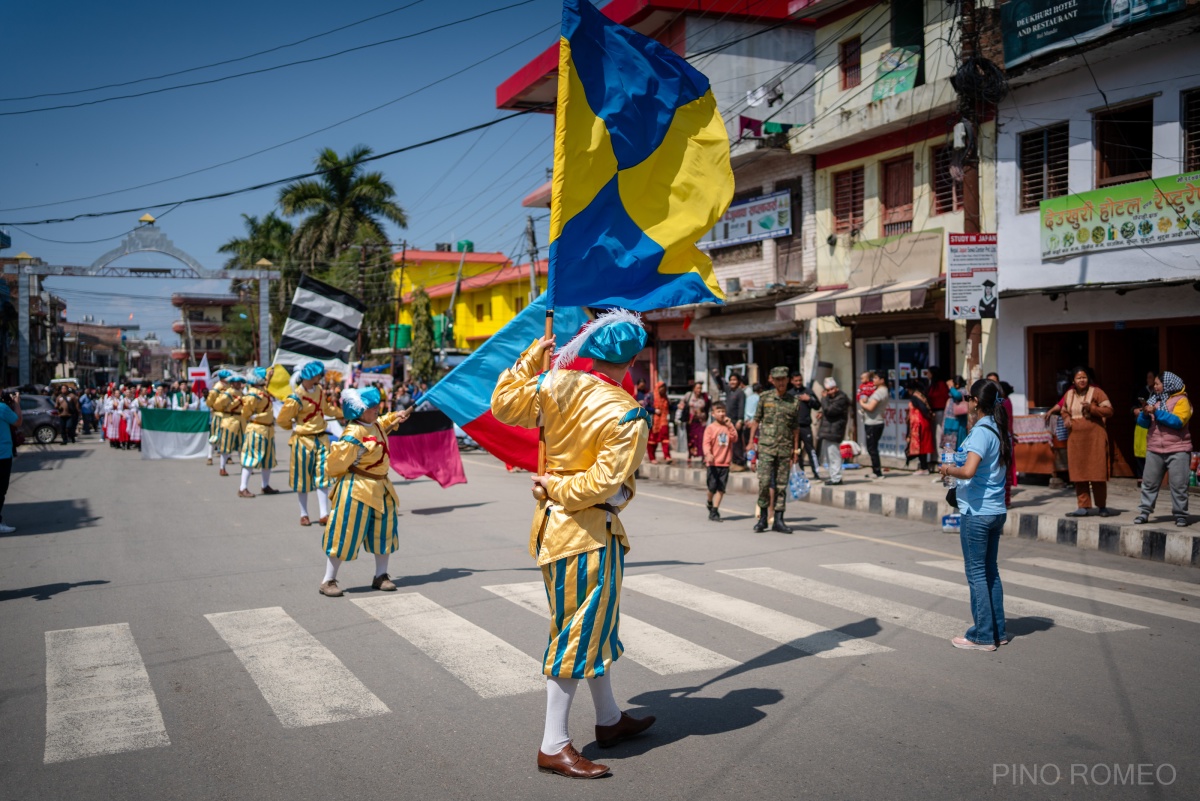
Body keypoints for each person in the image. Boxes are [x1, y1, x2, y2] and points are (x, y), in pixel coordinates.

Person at [491, 309, 656, 779]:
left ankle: (609, 720)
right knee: (575, 633)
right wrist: (557, 488)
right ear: (631, 361)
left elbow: (503, 404)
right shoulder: (628, 413)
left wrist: (530, 359)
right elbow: (604, 484)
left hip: (554, 527)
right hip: (585, 533)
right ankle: (553, 743)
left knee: (593, 626)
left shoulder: (555, 383)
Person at [938, 379, 1010, 651]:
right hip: (995, 509)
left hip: (978, 511)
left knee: (977, 574)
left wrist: (947, 470)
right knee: (990, 572)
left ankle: (981, 635)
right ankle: (998, 631)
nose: (966, 402)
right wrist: (955, 458)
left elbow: (968, 472)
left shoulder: (981, 431)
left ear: (976, 402)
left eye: (968, 397)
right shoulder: (998, 428)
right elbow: (977, 464)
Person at [317, 386, 411, 597]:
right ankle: (328, 580)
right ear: (358, 411)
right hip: (356, 488)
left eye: (377, 405)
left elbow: (384, 422)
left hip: (382, 486)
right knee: (345, 533)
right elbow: (332, 466)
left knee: (384, 533)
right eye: (372, 406)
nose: (377, 409)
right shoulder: (352, 434)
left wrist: (397, 415)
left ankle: (381, 576)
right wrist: (356, 459)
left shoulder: (374, 424)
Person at [277, 361, 344, 527]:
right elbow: (282, 420)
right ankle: (304, 514)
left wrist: (343, 413)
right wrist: (293, 426)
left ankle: (324, 513)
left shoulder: (319, 391)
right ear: (310, 376)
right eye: (317, 375)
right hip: (303, 440)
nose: (319, 377)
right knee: (303, 479)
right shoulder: (295, 398)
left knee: (323, 476)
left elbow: (327, 409)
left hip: (321, 438)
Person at [1043, 367, 1115, 517]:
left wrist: (1093, 408)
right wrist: (1066, 418)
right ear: (1073, 381)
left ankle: (1102, 506)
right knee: (1079, 473)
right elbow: (1064, 410)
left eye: (1084, 377)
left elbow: (1109, 410)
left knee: (1097, 472)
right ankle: (1083, 506)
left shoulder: (1097, 392)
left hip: (1095, 438)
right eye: (1078, 378)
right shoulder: (1069, 394)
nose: (1082, 380)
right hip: (1076, 439)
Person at [1134, 371, 1192, 527]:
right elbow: (1142, 424)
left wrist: (1156, 412)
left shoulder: (1182, 401)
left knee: (1178, 485)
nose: (1155, 386)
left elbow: (1178, 421)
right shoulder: (1155, 400)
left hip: (1178, 449)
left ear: (1168, 385)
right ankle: (1144, 512)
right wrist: (1145, 414)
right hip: (1154, 449)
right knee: (1149, 483)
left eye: (1158, 383)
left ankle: (1180, 515)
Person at [750, 367, 800, 533]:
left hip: (785, 449)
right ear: (772, 380)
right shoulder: (765, 397)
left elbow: (795, 428)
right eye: (777, 379)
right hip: (766, 448)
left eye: (783, 379)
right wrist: (751, 442)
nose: (780, 382)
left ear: (787, 380)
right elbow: (756, 420)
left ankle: (778, 520)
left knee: (781, 486)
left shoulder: (794, 401)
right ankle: (763, 519)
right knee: (764, 483)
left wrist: (795, 450)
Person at [238, 368, 280, 499]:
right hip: (257, 429)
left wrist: (270, 376)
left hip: (267, 430)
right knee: (251, 458)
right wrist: (256, 417)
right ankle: (242, 488)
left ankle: (265, 485)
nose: (265, 379)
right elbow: (245, 413)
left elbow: (265, 387)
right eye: (264, 377)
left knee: (268, 459)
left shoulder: (261, 391)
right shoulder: (252, 394)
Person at [703, 402, 736, 522]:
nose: (721, 414)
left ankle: (714, 511)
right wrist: (708, 454)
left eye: (723, 411)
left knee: (721, 488)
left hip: (725, 463)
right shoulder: (710, 428)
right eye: (719, 411)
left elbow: (734, 438)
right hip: (713, 463)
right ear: (713, 414)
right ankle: (709, 501)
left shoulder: (728, 427)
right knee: (712, 488)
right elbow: (706, 443)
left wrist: (730, 425)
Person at [209, 375, 246, 475]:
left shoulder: (242, 393)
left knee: (242, 444)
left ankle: (244, 467)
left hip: (241, 420)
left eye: (239, 382)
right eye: (236, 382)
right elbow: (218, 404)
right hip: (229, 419)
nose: (238, 384)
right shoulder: (228, 393)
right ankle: (222, 468)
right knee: (226, 445)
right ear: (232, 383)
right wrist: (229, 406)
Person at [817, 376, 850, 486]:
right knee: (829, 456)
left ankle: (836, 478)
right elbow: (826, 410)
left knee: (834, 455)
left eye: (832, 389)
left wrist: (824, 399)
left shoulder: (841, 398)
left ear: (836, 388)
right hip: (828, 430)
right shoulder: (830, 399)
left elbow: (830, 411)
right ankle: (833, 476)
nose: (830, 392)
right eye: (828, 390)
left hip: (835, 430)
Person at [789, 374, 821, 480]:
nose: (798, 383)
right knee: (796, 451)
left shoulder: (808, 391)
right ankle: (800, 472)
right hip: (794, 428)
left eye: (800, 380)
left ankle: (816, 472)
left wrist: (809, 399)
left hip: (805, 426)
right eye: (796, 380)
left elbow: (817, 405)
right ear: (792, 381)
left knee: (810, 449)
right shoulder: (789, 394)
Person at [0, 391, 24, 534]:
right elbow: (18, 421)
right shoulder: (2, 408)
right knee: (0, 490)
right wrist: (16, 403)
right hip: (2, 454)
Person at [858, 371, 889, 479]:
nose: (873, 380)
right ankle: (876, 471)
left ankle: (877, 472)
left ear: (882, 380)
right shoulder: (880, 391)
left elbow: (871, 407)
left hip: (873, 423)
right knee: (872, 447)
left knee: (872, 448)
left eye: (876, 378)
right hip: (875, 422)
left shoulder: (880, 392)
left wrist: (862, 403)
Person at [906, 380, 935, 473]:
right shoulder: (921, 395)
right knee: (923, 445)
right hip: (924, 422)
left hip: (919, 424)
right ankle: (923, 466)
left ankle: (923, 467)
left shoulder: (915, 397)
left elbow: (923, 409)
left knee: (921, 446)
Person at [206, 369, 233, 466]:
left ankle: (228, 456)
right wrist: (213, 406)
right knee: (215, 435)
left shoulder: (230, 386)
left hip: (229, 414)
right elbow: (209, 401)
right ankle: (210, 456)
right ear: (223, 379)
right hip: (219, 414)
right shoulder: (217, 388)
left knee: (228, 436)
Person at [683, 381, 710, 465]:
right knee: (691, 439)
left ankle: (703, 457)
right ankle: (690, 455)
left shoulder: (704, 397)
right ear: (694, 388)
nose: (699, 390)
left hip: (701, 422)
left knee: (702, 439)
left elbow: (708, 408)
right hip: (691, 422)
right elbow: (681, 404)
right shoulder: (688, 395)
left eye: (700, 388)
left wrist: (701, 413)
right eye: (698, 388)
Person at [645, 381, 672, 464]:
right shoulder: (651, 396)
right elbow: (645, 407)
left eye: (664, 390)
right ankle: (652, 457)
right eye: (661, 389)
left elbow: (669, 407)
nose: (663, 391)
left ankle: (667, 456)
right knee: (653, 440)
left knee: (665, 439)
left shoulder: (665, 397)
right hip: (654, 422)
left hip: (663, 421)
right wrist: (654, 410)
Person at [723, 373, 746, 469]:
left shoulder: (740, 393)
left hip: (736, 420)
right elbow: (722, 384)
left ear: (739, 381)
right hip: (728, 420)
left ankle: (739, 462)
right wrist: (716, 376)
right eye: (731, 380)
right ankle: (732, 461)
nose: (732, 382)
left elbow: (741, 407)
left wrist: (740, 420)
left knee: (737, 442)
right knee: (729, 442)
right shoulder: (729, 391)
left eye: (734, 380)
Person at [943, 376, 969, 449]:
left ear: (957, 384)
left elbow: (957, 396)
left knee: (959, 440)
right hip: (953, 421)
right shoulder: (955, 391)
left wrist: (951, 387)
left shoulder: (962, 391)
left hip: (958, 421)